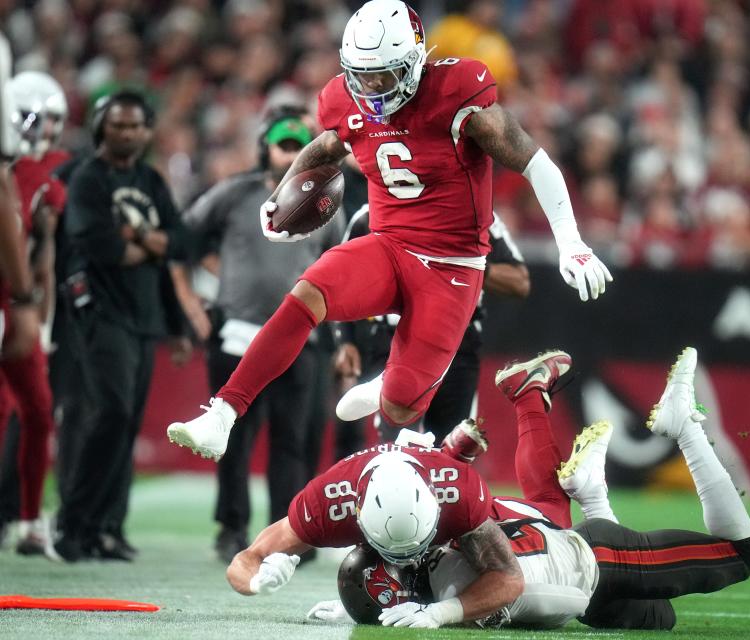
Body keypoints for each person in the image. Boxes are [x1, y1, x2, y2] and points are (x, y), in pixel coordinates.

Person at [167, 0, 612, 462]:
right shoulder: (345, 100)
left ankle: (389, 384)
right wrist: (280, 200)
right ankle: (222, 413)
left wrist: (571, 241)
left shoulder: (456, 95)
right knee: (306, 294)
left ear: (416, 60)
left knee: (402, 404)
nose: (373, 87)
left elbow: (533, 161)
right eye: (362, 76)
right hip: (388, 246)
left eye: (384, 75)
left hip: (452, 266)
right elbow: (322, 150)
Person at [311, 348, 750, 630]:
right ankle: (589, 488)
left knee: (742, 555)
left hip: (589, 561)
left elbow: (543, 593)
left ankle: (683, 427)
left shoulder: (456, 582)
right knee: (658, 618)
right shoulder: (436, 518)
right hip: (546, 533)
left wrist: (447, 612)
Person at [178, 105, 344, 563]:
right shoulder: (235, 193)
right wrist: (198, 297)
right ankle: (231, 528)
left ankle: (287, 535)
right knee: (232, 437)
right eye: (284, 144)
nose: (291, 152)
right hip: (237, 332)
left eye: (299, 144)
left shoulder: (328, 199)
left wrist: (341, 337)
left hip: (301, 338)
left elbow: (340, 265)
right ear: (265, 148)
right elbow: (184, 239)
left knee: (293, 440)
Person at [53, 91, 191, 562]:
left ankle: (105, 528)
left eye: (135, 126)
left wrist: (141, 240)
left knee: (126, 422)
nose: (127, 133)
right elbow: (99, 245)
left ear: (148, 131)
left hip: (144, 316)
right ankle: (72, 524)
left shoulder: (150, 180)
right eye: (118, 125)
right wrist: (143, 246)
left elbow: (180, 241)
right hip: (101, 315)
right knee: (108, 415)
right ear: (99, 128)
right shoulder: (87, 178)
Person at [221, 443, 526, 627]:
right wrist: (257, 582)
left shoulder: (460, 493)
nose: (409, 561)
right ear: (357, 513)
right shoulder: (326, 503)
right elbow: (248, 559)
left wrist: (442, 613)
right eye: (394, 552)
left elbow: (510, 577)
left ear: (436, 503)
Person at [333, 206, 529, 443]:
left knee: (451, 448)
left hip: (457, 342)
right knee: (396, 447)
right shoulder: (369, 215)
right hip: (394, 338)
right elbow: (340, 280)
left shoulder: (478, 215)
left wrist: (464, 259)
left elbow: (520, 282)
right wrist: (345, 341)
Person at [0, 71, 70, 556]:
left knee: (39, 410)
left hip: (17, 299)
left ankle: (27, 519)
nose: (42, 130)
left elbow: (44, 249)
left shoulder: (53, 170)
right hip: (12, 298)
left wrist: (37, 311)